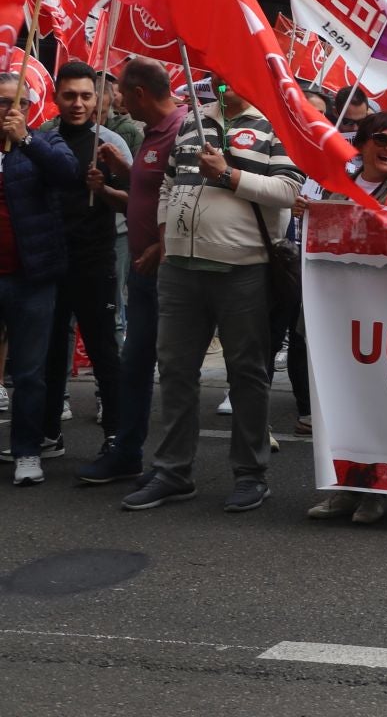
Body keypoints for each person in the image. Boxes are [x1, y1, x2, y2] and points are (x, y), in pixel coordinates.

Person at [122, 75, 301, 514]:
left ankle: (250, 474)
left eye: (231, 69)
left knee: (246, 375)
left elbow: (289, 191)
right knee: (177, 373)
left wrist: (229, 174)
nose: (223, 80)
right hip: (180, 269)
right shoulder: (193, 121)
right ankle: (173, 472)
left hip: (243, 269)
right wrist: (166, 234)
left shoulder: (278, 125)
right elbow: (168, 183)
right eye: (217, 72)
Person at [303, 115, 387, 525]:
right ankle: (344, 488)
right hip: (339, 315)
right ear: (360, 143)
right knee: (341, 404)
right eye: (382, 139)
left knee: (382, 404)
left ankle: (378, 490)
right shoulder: (333, 188)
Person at [75, 58, 183, 486]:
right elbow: (141, 199)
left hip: (169, 276)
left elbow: (186, 199)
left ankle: (173, 466)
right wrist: (112, 183)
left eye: (119, 91)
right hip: (143, 275)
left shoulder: (181, 132)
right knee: (136, 363)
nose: (114, 98)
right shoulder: (152, 135)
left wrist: (162, 245)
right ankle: (129, 453)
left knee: (171, 369)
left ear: (139, 93)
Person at [41, 62, 130, 462]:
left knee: (103, 349)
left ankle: (116, 434)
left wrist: (108, 186)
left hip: (95, 259)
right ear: (57, 97)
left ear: (98, 99)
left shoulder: (110, 143)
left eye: (86, 95)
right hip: (48, 260)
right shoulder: (41, 137)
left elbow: (137, 200)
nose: (78, 104)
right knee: (50, 349)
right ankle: (47, 432)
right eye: (69, 95)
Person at [0, 70, 78, 485]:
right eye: (2, 102)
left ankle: (27, 453)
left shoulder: (45, 141)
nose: (10, 110)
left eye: (19, 103)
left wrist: (26, 139)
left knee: (30, 373)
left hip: (31, 277)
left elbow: (69, 175)